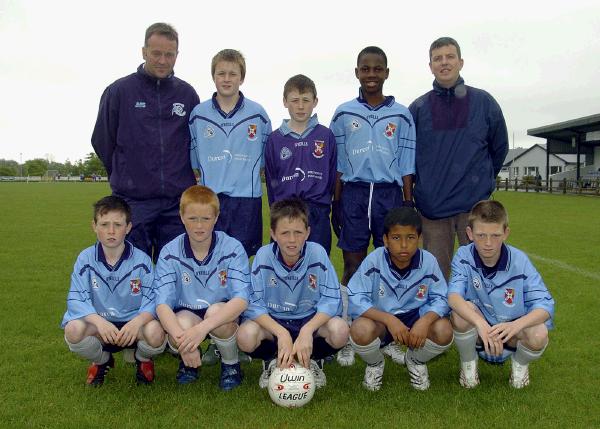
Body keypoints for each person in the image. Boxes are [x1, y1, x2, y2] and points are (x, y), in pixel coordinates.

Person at [329, 46, 416, 366]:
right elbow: (337, 163)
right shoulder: (343, 113)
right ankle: (351, 333)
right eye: (365, 69)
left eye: (377, 69)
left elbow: (407, 163)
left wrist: (407, 202)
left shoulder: (402, 114)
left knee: (390, 267)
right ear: (356, 73)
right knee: (353, 265)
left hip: (388, 196)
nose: (371, 75)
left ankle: (388, 337)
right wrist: (336, 203)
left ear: (387, 73)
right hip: (353, 194)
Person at [92, 22, 200, 262]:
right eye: (156, 54)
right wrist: (127, 174)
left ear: (177, 55)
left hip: (176, 205)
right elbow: (102, 140)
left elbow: (196, 143)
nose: (162, 60)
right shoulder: (119, 91)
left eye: (169, 54)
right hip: (133, 203)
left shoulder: (187, 94)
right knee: (132, 276)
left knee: (174, 277)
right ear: (144, 52)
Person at [409, 37, 509, 279]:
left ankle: (477, 318)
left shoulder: (484, 102)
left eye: (450, 57)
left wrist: (482, 182)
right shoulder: (418, 109)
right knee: (437, 278)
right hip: (433, 211)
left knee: (479, 276)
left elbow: (500, 147)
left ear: (460, 62)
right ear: (430, 65)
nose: (444, 63)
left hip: (473, 209)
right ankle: (442, 318)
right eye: (438, 58)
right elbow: (407, 158)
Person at [237, 199, 349, 389]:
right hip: (275, 322)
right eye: (284, 233)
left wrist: (307, 330)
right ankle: (272, 361)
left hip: (308, 319)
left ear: (307, 232)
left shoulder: (318, 254)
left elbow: (331, 300)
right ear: (273, 233)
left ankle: (312, 360)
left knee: (340, 330)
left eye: (298, 232)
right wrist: (281, 333)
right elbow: (253, 304)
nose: (292, 240)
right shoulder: (263, 257)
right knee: (245, 336)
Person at [448, 200, 554, 389]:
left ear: (506, 233)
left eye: (495, 235)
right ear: (469, 234)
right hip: (480, 334)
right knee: (459, 314)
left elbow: (545, 306)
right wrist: (480, 324)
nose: (488, 243)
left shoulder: (520, 261)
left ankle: (520, 366)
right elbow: (453, 297)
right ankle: (468, 365)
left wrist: (515, 326)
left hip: (511, 334)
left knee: (539, 333)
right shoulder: (463, 256)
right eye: (481, 235)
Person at [153, 185, 250, 390]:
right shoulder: (170, 252)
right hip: (187, 312)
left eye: (206, 219)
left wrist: (202, 329)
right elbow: (162, 305)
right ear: (181, 217)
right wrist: (184, 344)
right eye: (192, 218)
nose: (199, 226)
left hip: (219, 312)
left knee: (217, 313)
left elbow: (241, 299)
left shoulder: (232, 247)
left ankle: (231, 365)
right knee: (179, 322)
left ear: (216, 217)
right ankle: (188, 362)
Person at [61, 196, 165, 386]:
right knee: (73, 330)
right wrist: (99, 321)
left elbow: (153, 297)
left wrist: (137, 322)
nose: (111, 231)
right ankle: (102, 361)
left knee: (156, 333)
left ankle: (142, 359)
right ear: (94, 225)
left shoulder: (141, 261)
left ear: (128, 227)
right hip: (101, 326)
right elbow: (76, 298)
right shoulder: (85, 259)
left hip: (133, 326)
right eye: (104, 224)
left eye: (118, 224)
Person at [347, 207, 452, 391]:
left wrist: (425, 321)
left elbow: (442, 297)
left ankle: (415, 360)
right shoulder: (374, 260)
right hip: (382, 318)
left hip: (415, 316)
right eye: (396, 238)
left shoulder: (428, 261)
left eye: (410, 238)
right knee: (360, 329)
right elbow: (355, 297)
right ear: (386, 240)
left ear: (419, 239)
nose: (404, 245)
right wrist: (388, 319)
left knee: (443, 330)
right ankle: (375, 364)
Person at [189, 49, 271, 258]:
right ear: (213, 76)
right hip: (211, 199)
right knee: (210, 258)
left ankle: (241, 293)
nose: (227, 79)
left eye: (233, 74)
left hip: (247, 200)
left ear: (241, 78)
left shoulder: (258, 114)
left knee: (242, 259)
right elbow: (194, 160)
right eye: (221, 73)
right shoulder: (198, 115)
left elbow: (265, 158)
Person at [264, 74, 336, 254]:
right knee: (282, 266)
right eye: (295, 100)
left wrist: (323, 205)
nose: (301, 106)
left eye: (306, 100)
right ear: (285, 102)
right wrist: (277, 210)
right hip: (285, 211)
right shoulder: (275, 139)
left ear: (315, 101)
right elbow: (271, 178)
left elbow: (332, 174)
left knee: (317, 265)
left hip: (317, 212)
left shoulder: (325, 136)